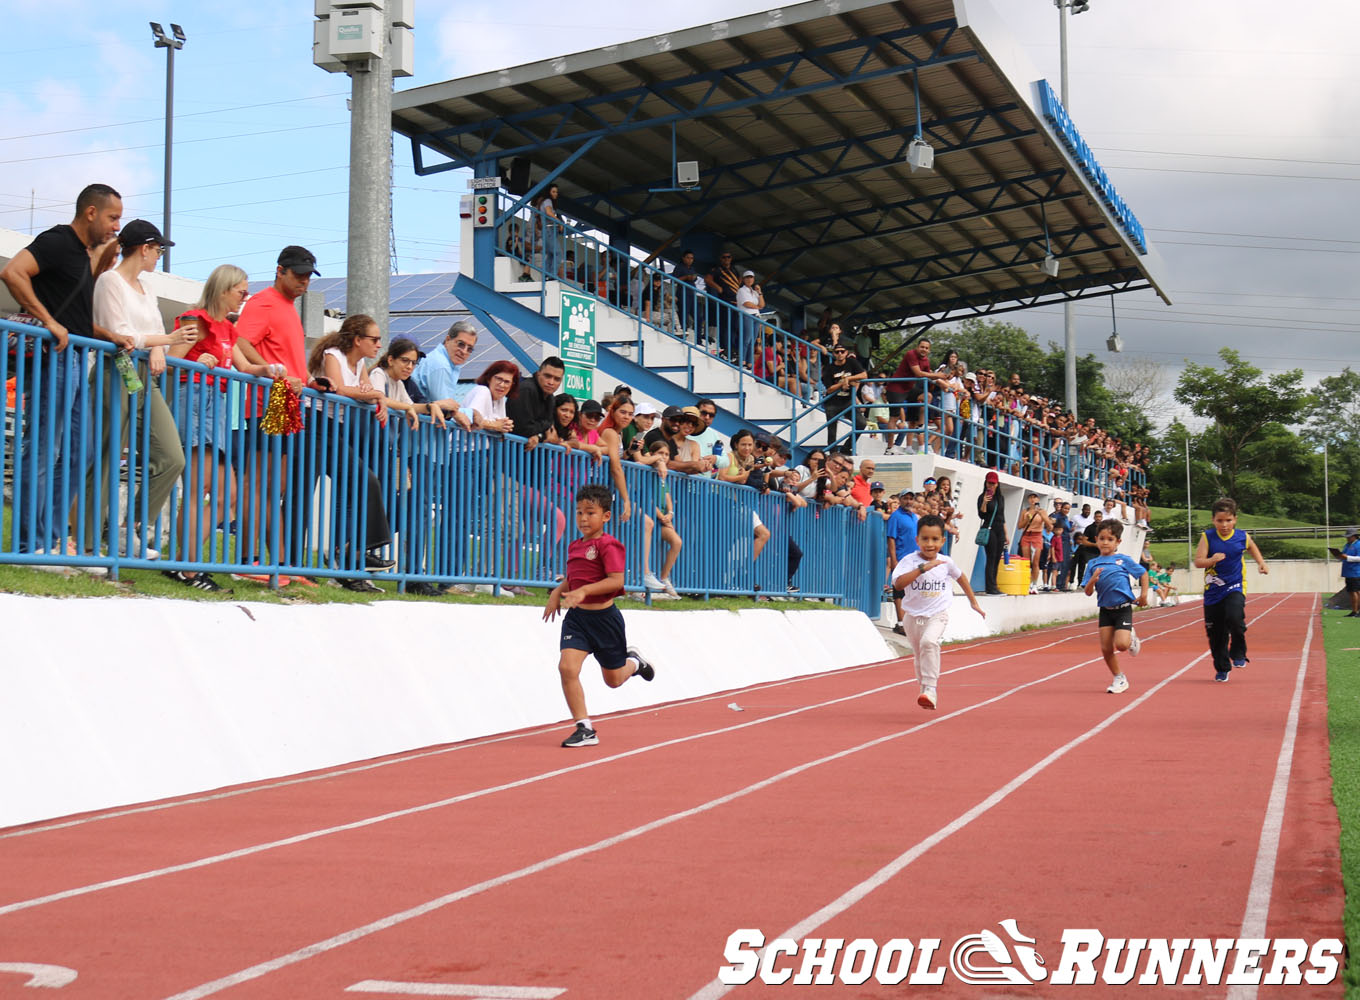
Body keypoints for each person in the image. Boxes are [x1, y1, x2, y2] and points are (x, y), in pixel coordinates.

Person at [1, 182, 124, 559]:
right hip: (52, 357)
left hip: (72, 358)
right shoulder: (57, 240)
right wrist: (48, 320)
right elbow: (13, 272)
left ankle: (50, 540)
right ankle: (29, 545)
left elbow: (76, 318)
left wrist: (111, 336)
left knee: (79, 452)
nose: (116, 226)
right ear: (91, 212)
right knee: (41, 449)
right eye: (112, 218)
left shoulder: (84, 255)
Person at [167, 264, 286, 591]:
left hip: (213, 405)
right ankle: (187, 566)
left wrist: (269, 369)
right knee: (202, 490)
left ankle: (183, 562)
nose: (244, 298)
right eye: (241, 292)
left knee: (224, 494)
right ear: (223, 290)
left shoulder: (226, 329)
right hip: (194, 399)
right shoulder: (195, 319)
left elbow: (245, 365)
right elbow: (171, 361)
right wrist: (197, 362)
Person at [85, 219, 191, 558]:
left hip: (145, 375)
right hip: (115, 370)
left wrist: (160, 346)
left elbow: (153, 332)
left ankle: (127, 529)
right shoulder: (109, 281)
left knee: (172, 457)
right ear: (144, 248)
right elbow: (122, 335)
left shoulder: (148, 290)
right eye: (158, 249)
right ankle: (88, 544)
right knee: (106, 457)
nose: (159, 255)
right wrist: (168, 341)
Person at [543, 483, 657, 748]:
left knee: (614, 680)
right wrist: (557, 592)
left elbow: (616, 582)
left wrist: (584, 591)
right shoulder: (574, 546)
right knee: (566, 668)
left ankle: (635, 663)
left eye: (590, 512)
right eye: (579, 512)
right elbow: (574, 577)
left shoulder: (610, 545)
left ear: (605, 516)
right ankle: (584, 728)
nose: (583, 518)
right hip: (578, 620)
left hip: (605, 621)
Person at [305, 314, 398, 591]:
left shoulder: (360, 364)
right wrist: (372, 396)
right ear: (357, 340)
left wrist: (376, 397)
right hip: (318, 426)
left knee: (352, 492)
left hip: (338, 429)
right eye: (374, 339)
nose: (379, 345)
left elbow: (367, 390)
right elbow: (341, 388)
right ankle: (356, 551)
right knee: (366, 481)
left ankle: (348, 560)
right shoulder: (333, 354)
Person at [892, 513, 986, 710]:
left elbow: (961, 578)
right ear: (917, 540)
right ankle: (924, 689)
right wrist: (922, 569)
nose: (930, 544)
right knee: (918, 654)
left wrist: (973, 602)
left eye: (935, 539)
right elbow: (899, 584)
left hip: (937, 614)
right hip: (912, 616)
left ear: (943, 540)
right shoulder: (909, 561)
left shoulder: (946, 562)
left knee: (929, 642)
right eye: (925, 539)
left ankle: (931, 688)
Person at [1194, 497, 1269, 682]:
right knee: (1216, 633)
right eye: (1220, 521)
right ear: (1213, 520)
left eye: (1228, 520)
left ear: (1235, 519)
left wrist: (1261, 563)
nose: (1224, 525)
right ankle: (1222, 667)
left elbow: (1252, 547)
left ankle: (1238, 653)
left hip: (1235, 585)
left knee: (1235, 617)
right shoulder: (1208, 537)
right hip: (1213, 591)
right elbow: (1198, 562)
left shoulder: (1242, 536)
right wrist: (1212, 560)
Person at [1082, 518, 1148, 695]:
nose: (1105, 543)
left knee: (1121, 645)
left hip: (1123, 608)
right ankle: (1119, 677)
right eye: (1102, 538)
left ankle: (1131, 637)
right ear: (1096, 539)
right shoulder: (1092, 564)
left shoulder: (1122, 560)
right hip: (1105, 610)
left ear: (1118, 542)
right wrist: (1093, 580)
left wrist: (1143, 595)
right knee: (1105, 649)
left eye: (1110, 539)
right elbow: (1087, 592)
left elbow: (1143, 574)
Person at [369, 338, 447, 430]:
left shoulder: (399, 383)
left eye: (414, 363)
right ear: (390, 360)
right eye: (405, 360)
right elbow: (379, 398)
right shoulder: (378, 374)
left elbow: (411, 406)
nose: (410, 367)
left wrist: (430, 406)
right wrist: (406, 407)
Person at [506, 356, 564, 448]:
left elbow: (550, 430)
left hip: (528, 457)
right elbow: (522, 429)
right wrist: (543, 430)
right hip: (510, 454)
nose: (551, 382)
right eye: (547, 376)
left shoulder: (550, 398)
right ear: (538, 374)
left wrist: (540, 434)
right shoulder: (526, 390)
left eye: (557, 379)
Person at [886, 490, 919, 636]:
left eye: (911, 499)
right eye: (906, 498)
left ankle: (909, 623)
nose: (909, 501)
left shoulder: (914, 517)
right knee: (899, 592)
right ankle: (901, 623)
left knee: (912, 592)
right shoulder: (896, 516)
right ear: (900, 500)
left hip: (914, 560)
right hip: (901, 559)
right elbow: (891, 539)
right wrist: (894, 560)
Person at [820, 344, 866, 445]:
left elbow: (864, 375)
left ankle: (847, 447)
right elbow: (829, 389)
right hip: (832, 402)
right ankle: (833, 453)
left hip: (847, 401)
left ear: (846, 353)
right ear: (834, 354)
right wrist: (842, 384)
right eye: (837, 352)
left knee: (861, 424)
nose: (840, 354)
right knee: (832, 432)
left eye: (842, 351)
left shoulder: (852, 362)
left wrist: (848, 379)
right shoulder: (829, 368)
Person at [975, 470, 1008, 595]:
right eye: (989, 483)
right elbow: (981, 514)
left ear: (997, 484)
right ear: (986, 483)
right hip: (989, 528)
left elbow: (1002, 516)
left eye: (993, 484)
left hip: (999, 529)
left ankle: (994, 585)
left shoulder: (1001, 498)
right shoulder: (982, 497)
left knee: (997, 559)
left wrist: (1006, 534)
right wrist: (984, 502)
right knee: (991, 557)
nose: (991, 486)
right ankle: (990, 586)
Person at [463, 360, 518, 432]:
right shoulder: (482, 390)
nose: (502, 385)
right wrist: (495, 425)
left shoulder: (500, 399)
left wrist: (505, 426)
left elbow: (500, 427)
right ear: (489, 378)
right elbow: (471, 419)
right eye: (499, 379)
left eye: (507, 382)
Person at [1016, 493, 1052, 595]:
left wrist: (1042, 515)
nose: (1032, 500)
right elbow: (1019, 526)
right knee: (1027, 561)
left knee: (1035, 561)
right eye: (1030, 498)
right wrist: (1027, 520)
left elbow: (1049, 526)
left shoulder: (1042, 511)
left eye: (1034, 498)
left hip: (1037, 536)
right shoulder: (1025, 511)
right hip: (1026, 535)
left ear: (1038, 499)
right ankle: (1027, 584)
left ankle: (1034, 584)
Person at [1339, 530, 1360, 617]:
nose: (1347, 538)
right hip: (1348, 571)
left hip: (1355, 571)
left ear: (1354, 536)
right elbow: (1343, 555)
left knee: (1356, 591)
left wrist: (1347, 557)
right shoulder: (1347, 545)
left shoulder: (1358, 544)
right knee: (1351, 591)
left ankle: (1356, 611)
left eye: (1349, 536)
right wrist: (1339, 556)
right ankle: (1354, 611)